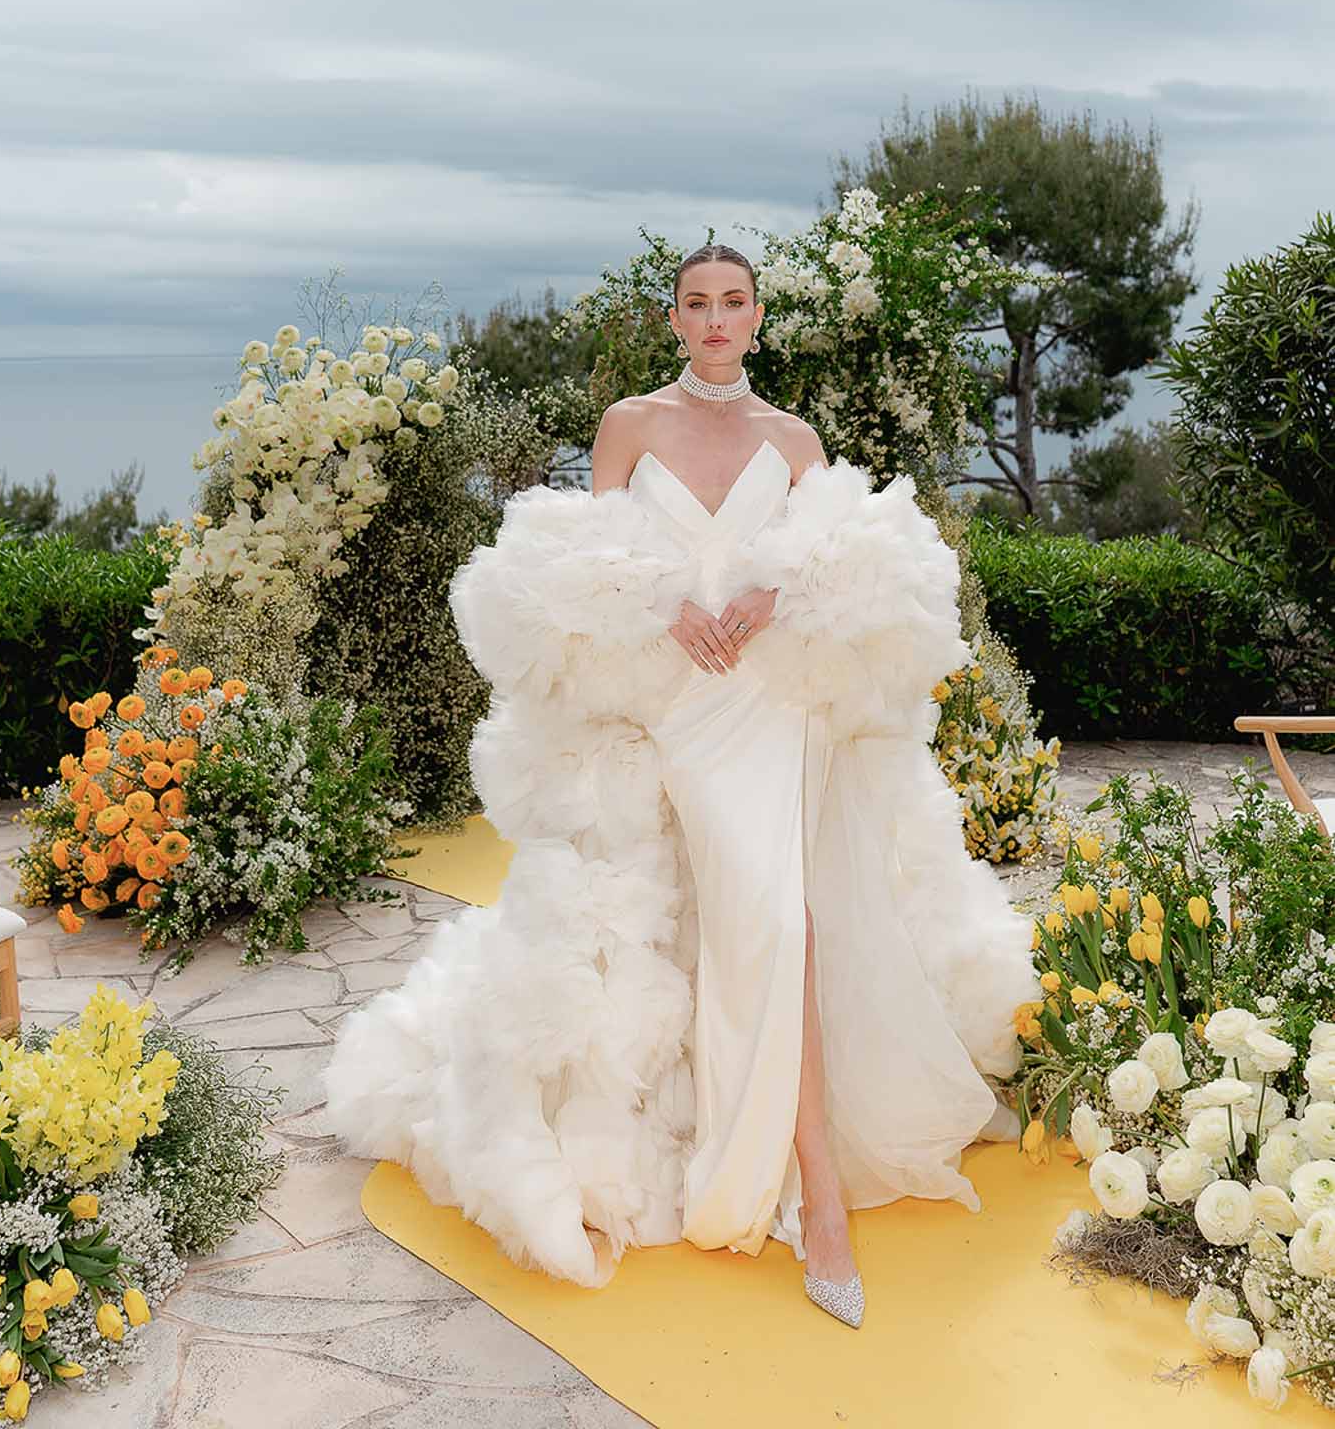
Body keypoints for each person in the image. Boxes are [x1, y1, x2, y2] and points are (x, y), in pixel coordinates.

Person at [324, 242, 1040, 1328]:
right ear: (674, 317)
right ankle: (778, 1167)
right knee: (764, 915)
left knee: (785, 917)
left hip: (776, 701)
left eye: (733, 301)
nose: (715, 319)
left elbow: (836, 565)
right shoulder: (631, 423)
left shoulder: (791, 439)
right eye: (697, 303)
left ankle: (814, 1189)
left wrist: (766, 594)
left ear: (757, 316)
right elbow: (587, 559)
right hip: (677, 700)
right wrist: (670, 608)